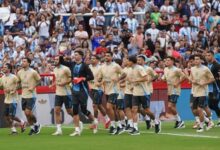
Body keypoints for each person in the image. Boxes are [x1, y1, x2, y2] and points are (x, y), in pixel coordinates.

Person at [60, 50, 97, 136]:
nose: (74, 56)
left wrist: (83, 78)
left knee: (84, 110)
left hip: (83, 90)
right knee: (75, 110)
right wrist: (62, 55)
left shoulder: (85, 66)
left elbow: (91, 77)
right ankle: (77, 130)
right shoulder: (72, 64)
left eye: (76, 55)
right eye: (74, 55)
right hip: (74, 91)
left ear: (81, 56)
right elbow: (62, 61)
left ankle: (94, 122)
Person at [127, 56, 161, 135]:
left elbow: (145, 78)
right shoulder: (131, 69)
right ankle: (135, 128)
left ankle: (156, 121)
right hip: (135, 92)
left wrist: (136, 80)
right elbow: (131, 80)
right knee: (134, 109)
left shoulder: (140, 68)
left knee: (147, 110)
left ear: (132, 62)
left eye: (128, 61)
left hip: (144, 92)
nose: (126, 62)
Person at [99, 51, 123, 135]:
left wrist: (118, 79)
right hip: (107, 90)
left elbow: (124, 74)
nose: (106, 57)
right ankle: (117, 126)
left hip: (115, 89)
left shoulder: (116, 66)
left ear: (112, 57)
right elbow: (100, 77)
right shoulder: (102, 67)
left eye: (108, 56)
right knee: (113, 109)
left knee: (108, 107)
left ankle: (115, 126)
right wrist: (100, 80)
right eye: (105, 55)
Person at [190, 54, 215, 132]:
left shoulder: (205, 69)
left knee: (200, 109)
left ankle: (201, 126)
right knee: (194, 110)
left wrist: (204, 83)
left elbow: (212, 79)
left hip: (203, 92)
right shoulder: (192, 69)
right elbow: (191, 79)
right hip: (195, 91)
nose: (196, 61)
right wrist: (192, 81)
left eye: (198, 59)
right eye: (195, 59)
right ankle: (208, 121)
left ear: (201, 60)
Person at [17, 57, 41, 135]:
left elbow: (39, 80)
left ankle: (37, 124)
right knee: (26, 113)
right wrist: (16, 88)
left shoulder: (33, 72)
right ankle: (32, 128)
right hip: (23, 95)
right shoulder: (19, 72)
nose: (22, 62)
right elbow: (18, 83)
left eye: (24, 61)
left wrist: (33, 87)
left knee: (28, 112)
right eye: (22, 61)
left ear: (28, 63)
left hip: (31, 95)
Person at [50, 55, 73, 135]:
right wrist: (52, 84)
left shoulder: (66, 69)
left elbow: (71, 78)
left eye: (57, 59)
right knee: (56, 110)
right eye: (54, 59)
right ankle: (59, 130)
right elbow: (57, 79)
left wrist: (65, 83)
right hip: (58, 92)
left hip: (66, 93)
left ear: (60, 60)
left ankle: (77, 120)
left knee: (69, 111)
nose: (55, 60)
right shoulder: (55, 69)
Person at [0, 63, 26, 135]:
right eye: (3, 67)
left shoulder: (14, 77)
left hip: (13, 99)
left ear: (9, 69)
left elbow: (20, 85)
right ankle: (14, 130)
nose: (3, 68)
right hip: (6, 99)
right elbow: (1, 86)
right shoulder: (2, 78)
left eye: (5, 67)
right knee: (6, 116)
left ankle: (22, 122)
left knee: (11, 116)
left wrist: (13, 90)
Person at [162, 56, 185, 129]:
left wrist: (177, 83)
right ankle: (179, 122)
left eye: (168, 60)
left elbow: (183, 76)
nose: (166, 62)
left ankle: (180, 121)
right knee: (173, 106)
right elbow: (164, 78)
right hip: (169, 90)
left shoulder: (176, 70)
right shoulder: (165, 69)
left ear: (172, 61)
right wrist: (162, 79)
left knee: (170, 106)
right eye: (166, 60)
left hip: (175, 90)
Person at [89, 55, 110, 133]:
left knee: (95, 105)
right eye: (91, 58)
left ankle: (95, 124)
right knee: (99, 105)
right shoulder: (89, 67)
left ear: (97, 60)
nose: (92, 60)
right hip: (91, 88)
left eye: (94, 58)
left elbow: (105, 77)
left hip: (98, 89)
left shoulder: (101, 68)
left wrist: (100, 83)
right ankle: (107, 119)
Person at [205, 51, 220, 127]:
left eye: (209, 55)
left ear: (213, 56)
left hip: (216, 88)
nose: (207, 57)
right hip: (209, 88)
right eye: (206, 55)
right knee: (211, 105)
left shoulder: (217, 65)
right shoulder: (207, 65)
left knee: (214, 103)